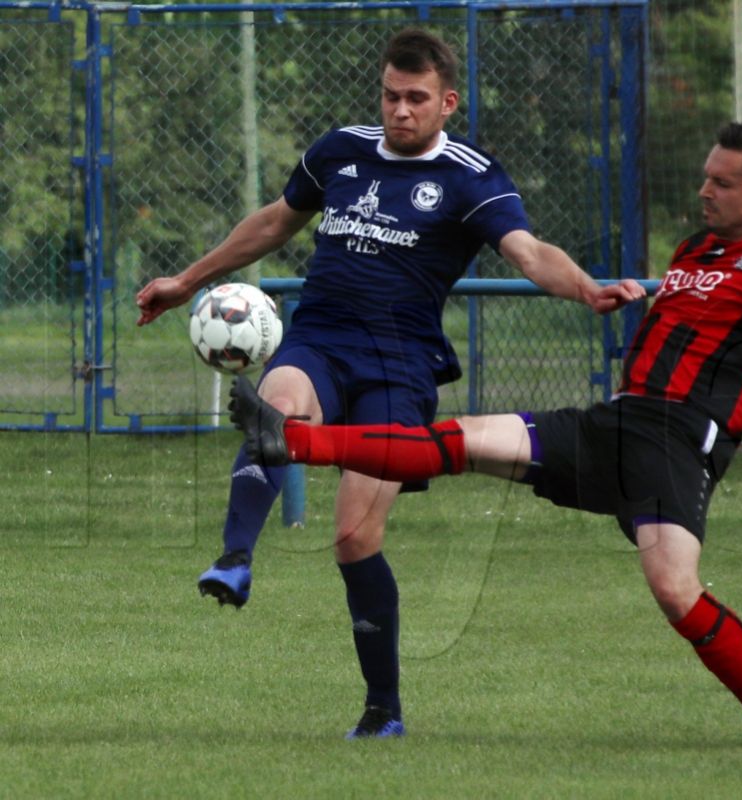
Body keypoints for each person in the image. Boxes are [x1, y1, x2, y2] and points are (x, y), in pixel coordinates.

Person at [228, 121, 742, 748]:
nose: (704, 189)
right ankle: (289, 443)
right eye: (704, 174)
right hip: (615, 419)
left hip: (676, 442)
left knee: (673, 590)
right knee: (456, 438)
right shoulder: (695, 252)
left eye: (723, 182)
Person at [134, 28, 644, 740]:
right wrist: (187, 280)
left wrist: (586, 290)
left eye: (415, 99)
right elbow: (277, 221)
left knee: (352, 536)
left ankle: (383, 710)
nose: (399, 111)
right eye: (389, 96)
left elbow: (528, 252)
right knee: (276, 408)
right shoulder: (341, 149)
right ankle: (234, 558)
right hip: (320, 340)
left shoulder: (471, 175)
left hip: (400, 367)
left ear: (446, 102)